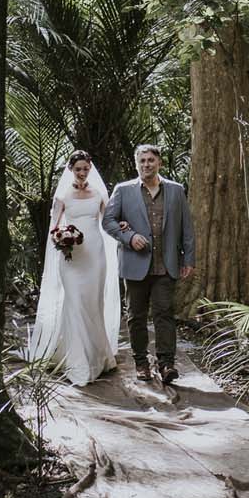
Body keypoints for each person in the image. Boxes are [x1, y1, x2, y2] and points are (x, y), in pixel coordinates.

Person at [101, 144, 195, 384]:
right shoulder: (123, 191)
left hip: (166, 265)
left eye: (151, 160)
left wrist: (188, 259)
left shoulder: (175, 190)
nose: (146, 165)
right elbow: (108, 221)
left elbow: (187, 228)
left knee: (164, 313)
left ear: (159, 163)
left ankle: (166, 364)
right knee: (136, 316)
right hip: (135, 265)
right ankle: (141, 363)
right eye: (142, 161)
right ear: (136, 164)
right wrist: (129, 237)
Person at [28, 150, 121, 385]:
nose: (82, 173)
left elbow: (108, 221)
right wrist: (61, 238)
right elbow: (53, 229)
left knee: (92, 304)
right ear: (71, 170)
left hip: (95, 256)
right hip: (71, 258)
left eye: (85, 169)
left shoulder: (99, 193)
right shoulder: (62, 196)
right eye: (78, 169)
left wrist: (122, 226)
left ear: (90, 169)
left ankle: (98, 356)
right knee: (74, 301)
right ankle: (77, 361)